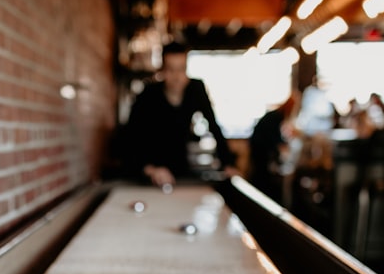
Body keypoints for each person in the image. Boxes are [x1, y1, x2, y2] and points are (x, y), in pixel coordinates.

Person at [122, 41, 239, 188]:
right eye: (171, 70)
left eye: (181, 69)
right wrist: (150, 169)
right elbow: (129, 139)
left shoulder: (196, 89)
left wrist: (228, 164)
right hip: (148, 171)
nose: (177, 77)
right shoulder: (148, 95)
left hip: (180, 168)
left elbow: (214, 126)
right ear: (162, 70)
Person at [247, 91, 301, 200]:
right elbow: (274, 139)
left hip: (258, 146)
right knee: (261, 175)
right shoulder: (277, 116)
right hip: (259, 148)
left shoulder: (276, 115)